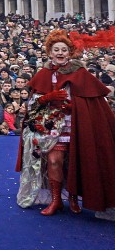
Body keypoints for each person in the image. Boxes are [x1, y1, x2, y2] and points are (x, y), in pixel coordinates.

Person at [17, 29, 115, 216]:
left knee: (76, 161)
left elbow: (93, 101)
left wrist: (75, 107)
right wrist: (47, 98)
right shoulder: (44, 73)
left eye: (64, 50)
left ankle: (72, 197)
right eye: (56, 50)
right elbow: (33, 103)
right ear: (49, 52)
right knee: (54, 161)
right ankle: (56, 200)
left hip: (76, 124)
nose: (60, 53)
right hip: (52, 126)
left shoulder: (80, 73)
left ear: (70, 52)